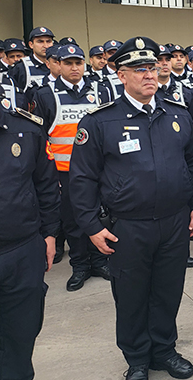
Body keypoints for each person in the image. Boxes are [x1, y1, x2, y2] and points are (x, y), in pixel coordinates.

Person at [69, 37, 193, 380]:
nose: (151, 74)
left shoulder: (176, 113)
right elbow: (82, 179)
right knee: (131, 296)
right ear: (121, 74)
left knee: (168, 290)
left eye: (153, 67)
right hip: (128, 227)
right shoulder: (99, 122)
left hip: (175, 223)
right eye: (140, 69)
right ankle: (137, 359)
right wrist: (91, 226)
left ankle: (164, 350)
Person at [0, 45, 61, 380]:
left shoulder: (26, 130)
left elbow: (46, 186)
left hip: (21, 254)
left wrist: (50, 234)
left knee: (20, 338)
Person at [30, 44, 113, 291]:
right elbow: (41, 138)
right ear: (58, 65)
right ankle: (80, 266)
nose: (74, 68)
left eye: (78, 63)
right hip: (65, 174)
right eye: (68, 63)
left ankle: (100, 261)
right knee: (73, 222)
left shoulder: (100, 90)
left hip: (98, 170)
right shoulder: (45, 95)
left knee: (99, 216)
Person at [8, 26, 54, 93]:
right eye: (40, 42)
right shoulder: (21, 67)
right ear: (31, 44)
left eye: (48, 41)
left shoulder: (61, 65)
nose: (45, 46)